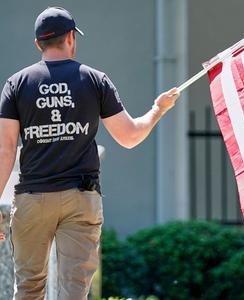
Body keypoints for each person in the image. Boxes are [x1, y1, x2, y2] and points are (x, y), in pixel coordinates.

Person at [0, 6, 180, 300]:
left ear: (38, 44)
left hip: (32, 198)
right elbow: (130, 136)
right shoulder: (94, 80)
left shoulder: (16, 84)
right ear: (71, 37)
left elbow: (6, 150)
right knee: (74, 292)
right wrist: (157, 110)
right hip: (80, 199)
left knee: (28, 289)